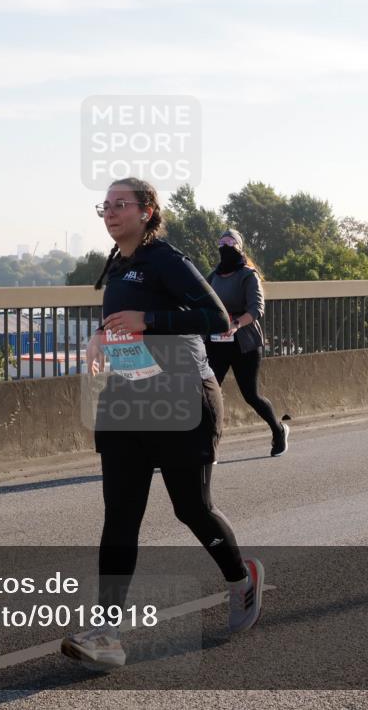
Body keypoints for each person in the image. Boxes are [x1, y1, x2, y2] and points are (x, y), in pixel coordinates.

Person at [60, 178, 264, 669]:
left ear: (147, 212)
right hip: (128, 400)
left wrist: (149, 320)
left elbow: (215, 317)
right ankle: (106, 633)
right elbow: (122, 322)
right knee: (120, 518)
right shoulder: (120, 264)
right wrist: (99, 338)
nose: (110, 213)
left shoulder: (167, 259)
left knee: (191, 509)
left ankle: (241, 578)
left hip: (182, 399)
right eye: (104, 206)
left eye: (120, 205)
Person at [205, 229, 289, 458]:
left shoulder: (248, 275)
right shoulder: (212, 276)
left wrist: (237, 324)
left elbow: (256, 309)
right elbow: (200, 301)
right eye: (221, 243)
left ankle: (278, 430)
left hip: (244, 342)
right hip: (217, 342)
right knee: (208, 394)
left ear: (239, 247)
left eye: (230, 242)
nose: (225, 246)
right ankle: (207, 448)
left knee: (250, 395)